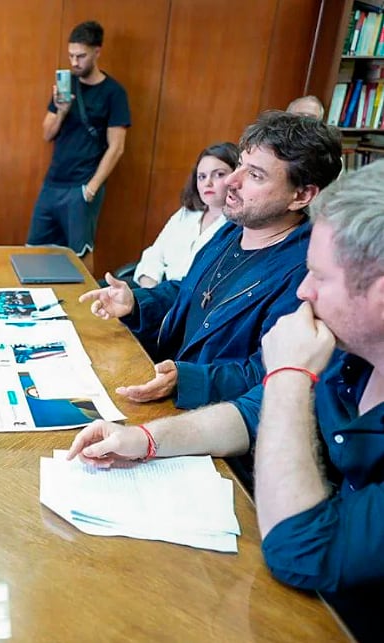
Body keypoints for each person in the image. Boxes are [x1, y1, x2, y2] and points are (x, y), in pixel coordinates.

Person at [67, 160, 384, 640]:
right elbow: (251, 413)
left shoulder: (327, 346)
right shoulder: (353, 351)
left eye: (320, 277)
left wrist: (288, 376)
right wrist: (144, 438)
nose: (304, 290)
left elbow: (304, 551)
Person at [78, 111, 341, 409]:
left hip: (208, 419)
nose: (231, 180)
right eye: (240, 164)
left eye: (254, 175)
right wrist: (137, 303)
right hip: (163, 386)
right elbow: (192, 292)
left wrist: (188, 380)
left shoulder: (306, 274)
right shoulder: (232, 229)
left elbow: (271, 373)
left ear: (302, 195)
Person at [27, 20, 131, 274]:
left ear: (97, 52)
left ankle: (84, 310)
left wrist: (91, 188)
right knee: (34, 250)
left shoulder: (113, 93)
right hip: (53, 183)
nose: (74, 62)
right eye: (71, 55)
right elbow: (46, 133)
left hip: (82, 187)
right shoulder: (66, 85)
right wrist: (61, 111)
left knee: (80, 255)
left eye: (81, 56)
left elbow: (116, 147)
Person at [133, 142, 238, 288]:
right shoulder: (187, 213)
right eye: (202, 176)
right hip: (154, 288)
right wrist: (150, 289)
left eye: (219, 174)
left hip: (185, 301)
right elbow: (155, 253)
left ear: (236, 177)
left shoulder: (238, 228)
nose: (207, 182)